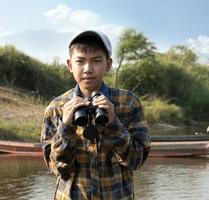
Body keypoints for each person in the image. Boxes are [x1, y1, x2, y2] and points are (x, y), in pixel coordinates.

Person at [40, 30, 151, 199]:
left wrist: (113, 124)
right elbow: (57, 168)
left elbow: (136, 161)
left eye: (96, 61)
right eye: (80, 61)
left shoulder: (128, 102)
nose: (88, 69)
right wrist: (65, 126)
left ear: (108, 64)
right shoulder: (56, 107)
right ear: (70, 65)